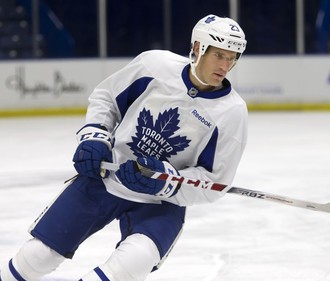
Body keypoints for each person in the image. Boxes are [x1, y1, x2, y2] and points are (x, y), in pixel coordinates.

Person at [0, 14, 248, 281]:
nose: (226, 65)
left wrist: (166, 181)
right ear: (198, 48)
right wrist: (95, 136)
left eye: (232, 58)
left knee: (131, 264)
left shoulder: (232, 112)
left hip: (159, 203)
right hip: (105, 178)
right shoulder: (154, 66)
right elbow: (106, 97)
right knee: (37, 257)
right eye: (219, 55)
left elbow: (214, 182)